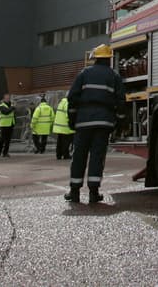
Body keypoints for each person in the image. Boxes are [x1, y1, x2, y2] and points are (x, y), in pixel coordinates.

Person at [64, 44, 125, 205]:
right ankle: (93, 193)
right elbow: (121, 100)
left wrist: (72, 120)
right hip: (103, 123)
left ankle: (74, 192)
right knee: (97, 157)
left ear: (95, 58)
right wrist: (118, 121)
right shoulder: (114, 76)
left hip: (83, 122)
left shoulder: (84, 73)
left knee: (79, 156)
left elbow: (72, 98)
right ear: (109, 59)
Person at [52, 94, 74, 161]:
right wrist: (72, 122)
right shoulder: (67, 103)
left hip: (59, 127)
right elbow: (68, 114)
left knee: (60, 141)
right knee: (66, 142)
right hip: (66, 127)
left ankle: (58, 155)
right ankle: (66, 155)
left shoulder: (61, 103)